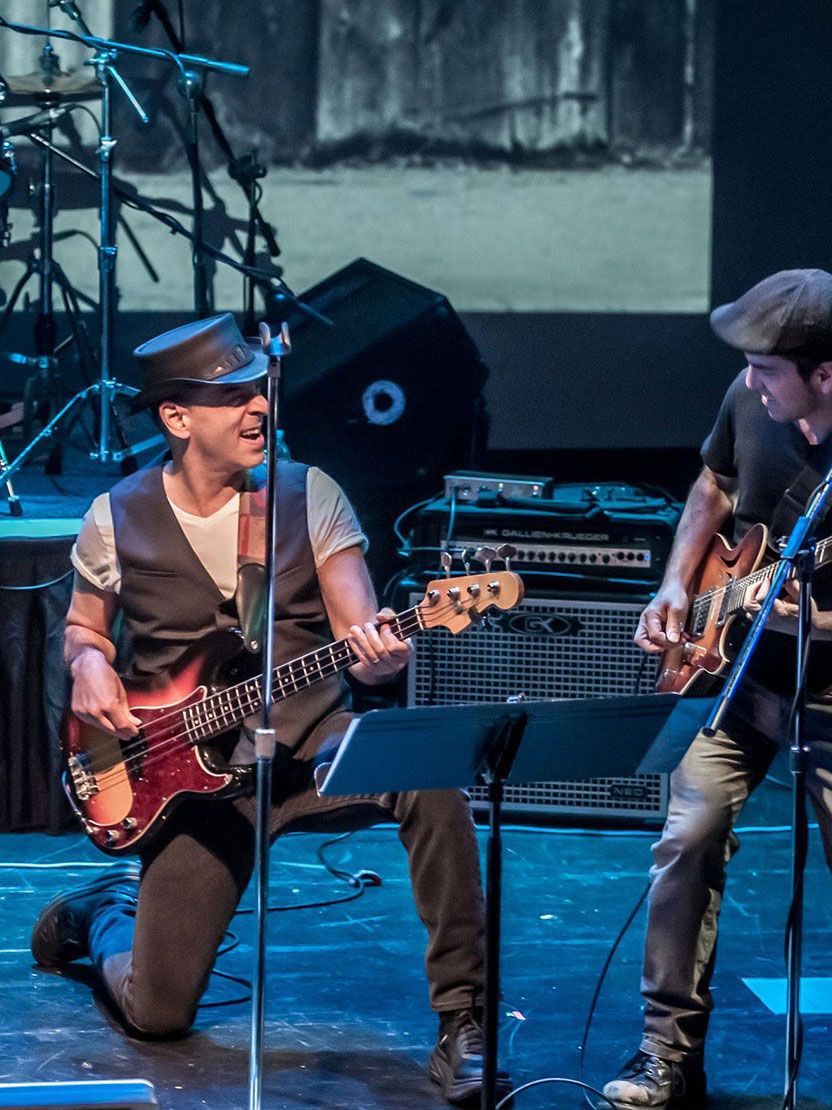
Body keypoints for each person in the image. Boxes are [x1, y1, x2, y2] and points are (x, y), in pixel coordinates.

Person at [30, 313, 504, 1107]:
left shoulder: (308, 493)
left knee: (426, 773)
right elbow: (83, 628)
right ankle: (105, 914)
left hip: (312, 752)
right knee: (157, 1017)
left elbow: (362, 626)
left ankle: (467, 1019)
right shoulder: (115, 514)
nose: (258, 409)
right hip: (192, 785)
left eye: (259, 391)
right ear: (178, 418)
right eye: (232, 397)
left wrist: (388, 648)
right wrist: (86, 662)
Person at [602, 269, 832, 1107]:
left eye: (766, 369)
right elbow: (713, 487)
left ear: (823, 375)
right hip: (733, 679)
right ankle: (665, 1053)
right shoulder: (750, 398)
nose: (749, 382)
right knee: (687, 842)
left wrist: (812, 625)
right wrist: (675, 588)